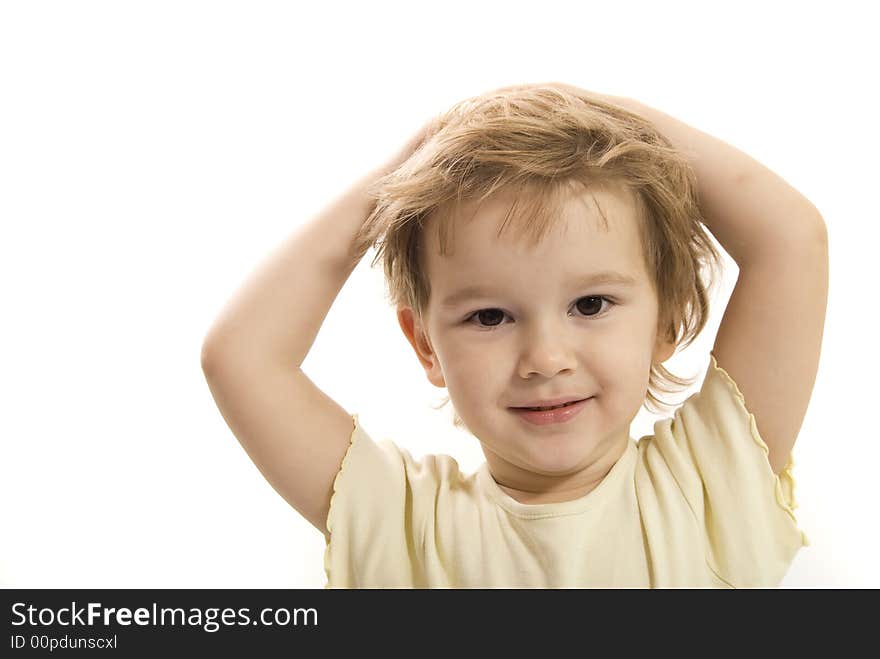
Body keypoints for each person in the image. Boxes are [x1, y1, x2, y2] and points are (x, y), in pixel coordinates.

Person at [200, 82, 828, 588]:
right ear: (426, 344)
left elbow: (791, 239)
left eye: (590, 303)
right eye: (490, 317)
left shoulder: (712, 487)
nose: (545, 359)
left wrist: (620, 118)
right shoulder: (404, 525)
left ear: (668, 320)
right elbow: (242, 357)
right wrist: (400, 173)